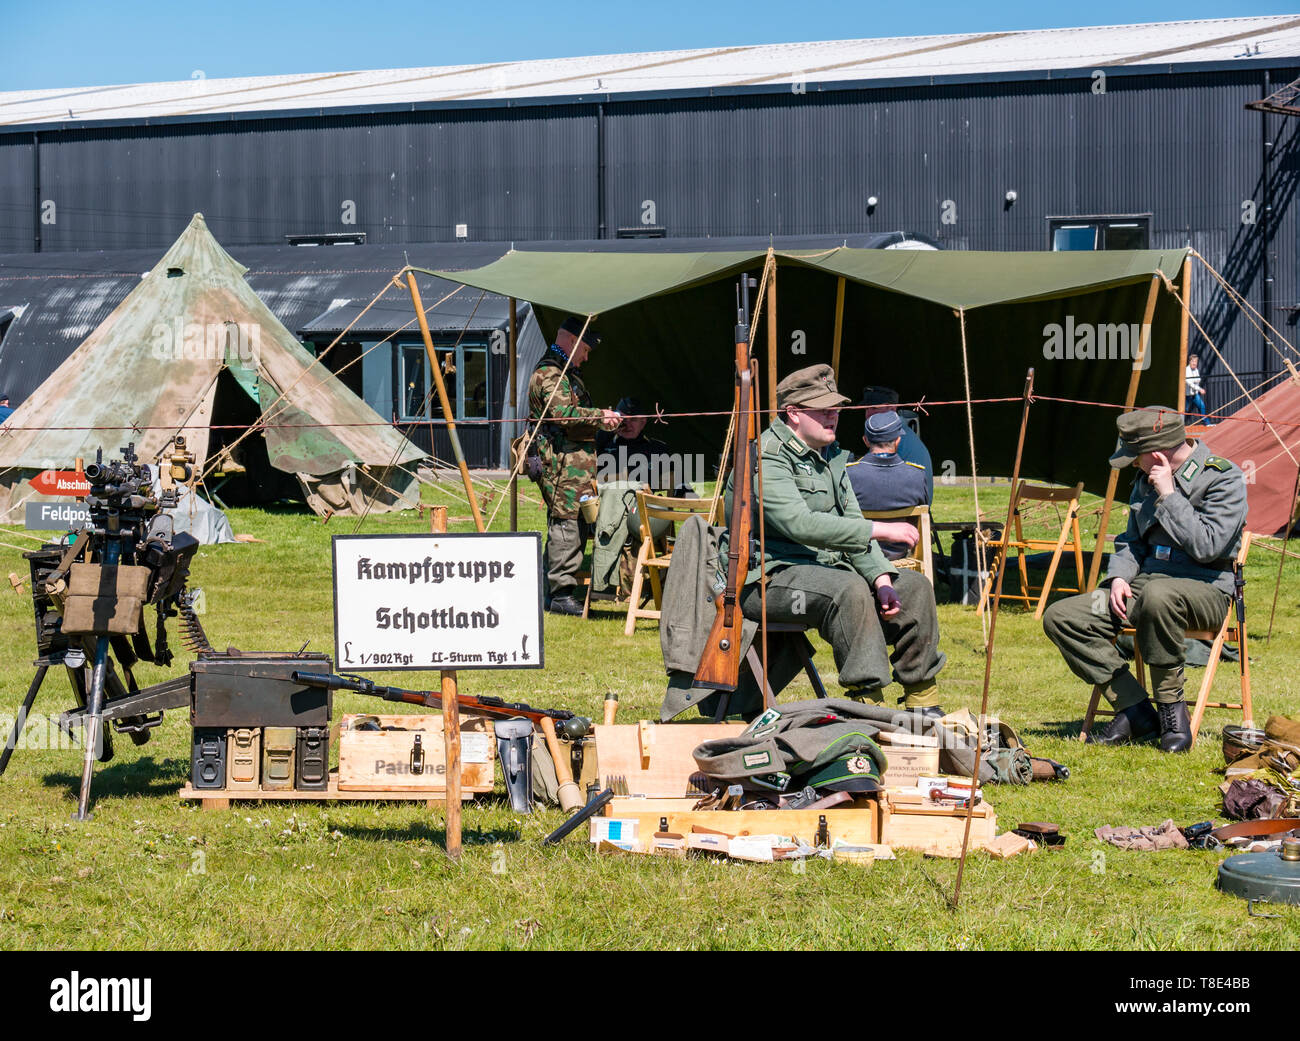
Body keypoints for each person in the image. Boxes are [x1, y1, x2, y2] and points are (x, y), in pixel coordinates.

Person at [721, 363, 947, 714]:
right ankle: (868, 706)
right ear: (793, 413)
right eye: (823, 411)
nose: (833, 417)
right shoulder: (766, 456)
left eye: (836, 410)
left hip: (822, 570)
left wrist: (882, 577)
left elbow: (850, 520)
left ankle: (923, 705)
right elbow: (800, 524)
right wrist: (880, 529)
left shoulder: (831, 457)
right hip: (767, 578)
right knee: (849, 590)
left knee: (914, 588)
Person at [1042, 406, 1247, 752]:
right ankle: (1135, 708)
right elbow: (1131, 542)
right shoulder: (1143, 480)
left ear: (1155, 454)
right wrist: (1119, 577)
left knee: (1158, 595)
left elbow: (1209, 545)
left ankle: (1171, 712)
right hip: (1143, 589)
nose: (1132, 465)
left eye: (1135, 457)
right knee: (1063, 616)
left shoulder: (1223, 478)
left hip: (1205, 592)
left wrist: (1170, 494)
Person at [527, 316, 621, 615]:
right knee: (566, 524)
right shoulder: (551, 372)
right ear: (571, 340)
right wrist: (600, 416)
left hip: (573, 465)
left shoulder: (564, 370)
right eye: (585, 347)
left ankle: (553, 590)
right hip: (561, 464)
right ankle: (560, 594)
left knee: (572, 523)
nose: (587, 354)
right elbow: (562, 413)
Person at [846, 409, 929, 559]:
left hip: (859, 556)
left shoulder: (849, 475)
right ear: (898, 440)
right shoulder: (917, 475)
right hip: (901, 554)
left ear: (865, 440)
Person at [858, 386, 933, 502]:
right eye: (866, 409)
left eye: (874, 408)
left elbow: (869, 478)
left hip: (905, 512)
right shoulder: (902, 433)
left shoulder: (893, 438)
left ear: (892, 409)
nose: (868, 414)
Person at [1185, 354, 1206, 419]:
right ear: (1189, 362)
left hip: (1195, 394)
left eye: (1196, 361)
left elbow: (1198, 380)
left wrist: (1197, 387)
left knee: (1202, 406)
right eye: (1193, 361)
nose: (1195, 363)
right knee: (1184, 410)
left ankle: (1206, 423)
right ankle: (1180, 424)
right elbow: (1190, 383)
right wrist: (1200, 389)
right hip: (1187, 395)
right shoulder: (1186, 370)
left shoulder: (1196, 370)